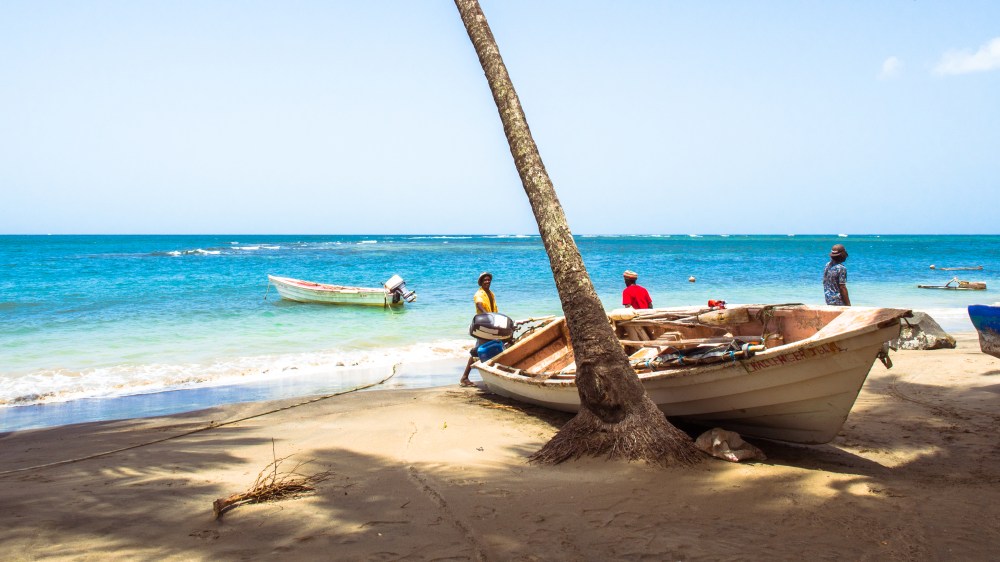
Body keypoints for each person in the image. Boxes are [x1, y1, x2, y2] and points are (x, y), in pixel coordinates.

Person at [460, 272, 497, 386]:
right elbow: (479, 305)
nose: (487, 281)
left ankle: (491, 376)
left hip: (492, 325)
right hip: (483, 325)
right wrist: (488, 315)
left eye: (489, 280)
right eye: (485, 280)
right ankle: (464, 378)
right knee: (478, 351)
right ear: (481, 282)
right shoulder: (479, 294)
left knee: (492, 349)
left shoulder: (491, 293)